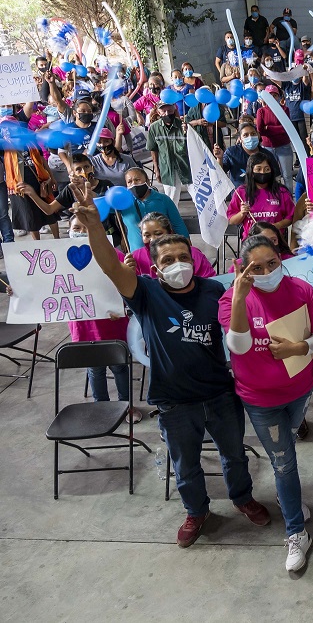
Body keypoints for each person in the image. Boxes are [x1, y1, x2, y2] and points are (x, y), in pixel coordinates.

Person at [70, 181, 270, 548]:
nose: (178, 264)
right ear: (155, 266)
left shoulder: (214, 291)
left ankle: (242, 498)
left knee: (235, 455)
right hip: (175, 401)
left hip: (221, 394)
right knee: (186, 464)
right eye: (167, 260)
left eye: (184, 257)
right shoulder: (145, 293)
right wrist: (95, 227)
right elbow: (112, 267)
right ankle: (196, 511)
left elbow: (246, 320)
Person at [220, 234, 313, 571]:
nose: (268, 271)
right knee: (284, 462)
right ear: (243, 269)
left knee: (288, 450)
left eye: (273, 263)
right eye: (258, 267)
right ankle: (297, 532)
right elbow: (237, 347)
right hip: (260, 400)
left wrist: (298, 348)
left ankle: (287, 498)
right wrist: (240, 299)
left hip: (300, 389)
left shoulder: (301, 290)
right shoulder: (231, 299)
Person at [64, 214, 139, 422]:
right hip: (85, 326)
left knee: (119, 366)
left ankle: (125, 406)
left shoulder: (113, 255)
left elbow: (127, 288)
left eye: (85, 228)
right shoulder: (61, 260)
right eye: (76, 228)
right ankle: (101, 407)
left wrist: (129, 272)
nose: (80, 232)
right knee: (95, 368)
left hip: (112, 324)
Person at [119, 167, 189, 253]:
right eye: (129, 182)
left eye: (137, 180)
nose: (134, 184)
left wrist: (187, 245)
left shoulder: (163, 199)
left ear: (147, 181)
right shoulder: (123, 204)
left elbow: (178, 224)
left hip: (165, 251)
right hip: (138, 255)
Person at [226, 152, 295, 238]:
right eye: (258, 169)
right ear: (251, 171)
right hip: (251, 242)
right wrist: (242, 213)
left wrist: (276, 226)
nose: (263, 172)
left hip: (276, 241)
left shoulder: (281, 191)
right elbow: (232, 221)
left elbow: (291, 217)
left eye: (267, 169)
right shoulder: (241, 192)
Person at [128, 212, 216, 278]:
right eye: (147, 236)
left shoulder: (192, 253)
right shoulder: (136, 258)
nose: (153, 239)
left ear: (170, 232)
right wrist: (127, 273)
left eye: (158, 234)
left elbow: (210, 282)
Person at [146, 100, 190, 205]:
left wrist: (188, 131)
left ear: (174, 109)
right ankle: (172, 220)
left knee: (199, 196)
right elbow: (153, 149)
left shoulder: (183, 126)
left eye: (169, 110)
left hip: (186, 166)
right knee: (171, 199)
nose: (167, 114)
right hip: (167, 168)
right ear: (158, 112)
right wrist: (157, 169)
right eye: (163, 111)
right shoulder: (154, 128)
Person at [214, 122, 280, 190]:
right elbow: (220, 172)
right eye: (245, 135)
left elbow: (276, 177)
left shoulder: (267, 155)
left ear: (258, 135)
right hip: (240, 197)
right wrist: (219, 158)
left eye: (253, 134)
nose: (250, 137)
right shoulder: (232, 153)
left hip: (262, 195)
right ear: (240, 138)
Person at [255, 86, 296, 191]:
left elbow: (286, 128)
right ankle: (275, 199)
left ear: (278, 96)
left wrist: (268, 128)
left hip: (284, 146)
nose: (272, 98)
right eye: (270, 96)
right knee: (273, 176)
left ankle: (289, 200)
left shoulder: (285, 109)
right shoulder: (261, 111)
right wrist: (277, 129)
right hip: (268, 148)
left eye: (275, 95)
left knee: (287, 176)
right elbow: (260, 130)